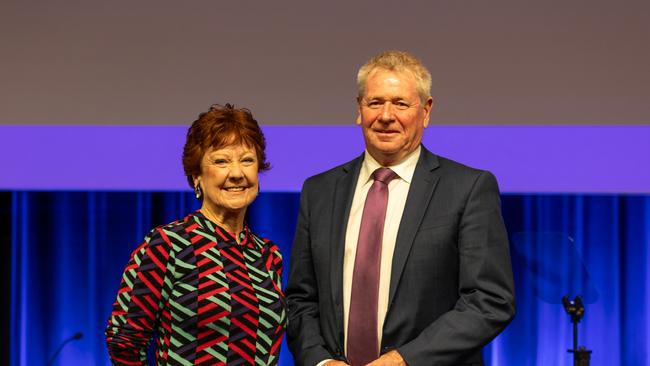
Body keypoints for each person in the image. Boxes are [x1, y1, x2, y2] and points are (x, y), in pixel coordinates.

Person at [285, 51, 515, 366]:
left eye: (401, 104)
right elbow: (300, 300)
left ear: (426, 111)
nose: (386, 115)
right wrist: (320, 362)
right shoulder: (319, 191)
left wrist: (402, 361)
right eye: (375, 102)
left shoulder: (468, 189)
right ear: (359, 110)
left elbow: (489, 301)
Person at [106, 104, 286, 365]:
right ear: (196, 176)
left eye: (247, 160)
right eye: (221, 161)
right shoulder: (168, 245)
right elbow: (123, 341)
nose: (236, 173)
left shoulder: (268, 255)